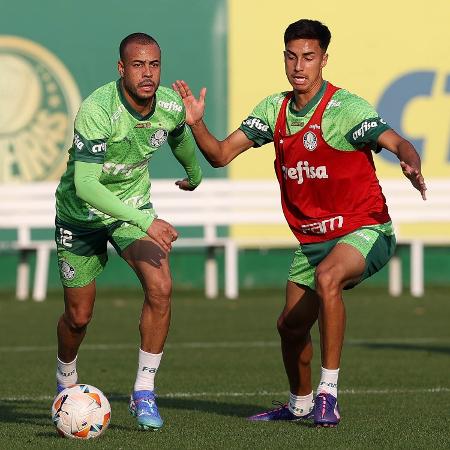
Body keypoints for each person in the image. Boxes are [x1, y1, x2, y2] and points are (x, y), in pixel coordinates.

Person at [173, 19, 426, 427]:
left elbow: (395, 141)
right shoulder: (274, 109)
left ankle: (329, 395)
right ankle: (300, 403)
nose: (299, 66)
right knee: (289, 328)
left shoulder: (345, 109)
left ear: (324, 59)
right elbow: (220, 155)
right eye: (292, 56)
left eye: (308, 57)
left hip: (366, 228)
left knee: (329, 278)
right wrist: (196, 123)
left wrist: (409, 160)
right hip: (312, 242)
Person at [54, 32, 203, 431]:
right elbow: (86, 185)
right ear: (122, 69)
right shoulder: (98, 109)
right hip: (80, 214)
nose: (147, 73)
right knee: (79, 317)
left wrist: (194, 173)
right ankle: (65, 379)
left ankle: (143, 391)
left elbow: (179, 135)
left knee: (161, 287)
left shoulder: (169, 103)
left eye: (154, 64)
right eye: (138, 65)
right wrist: (145, 221)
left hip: (130, 210)